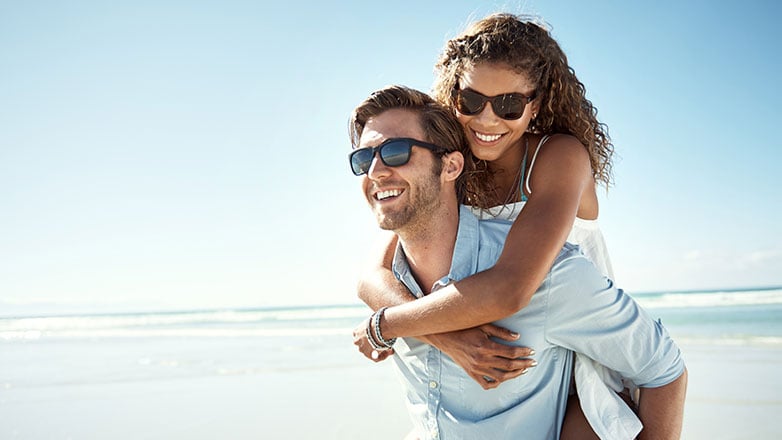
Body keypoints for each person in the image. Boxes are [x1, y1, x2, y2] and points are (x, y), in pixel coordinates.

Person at [347, 85, 687, 440]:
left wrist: (382, 327)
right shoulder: (388, 282)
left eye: (396, 152)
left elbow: (663, 369)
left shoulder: (549, 275)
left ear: (450, 166)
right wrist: (432, 333)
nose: (376, 171)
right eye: (363, 160)